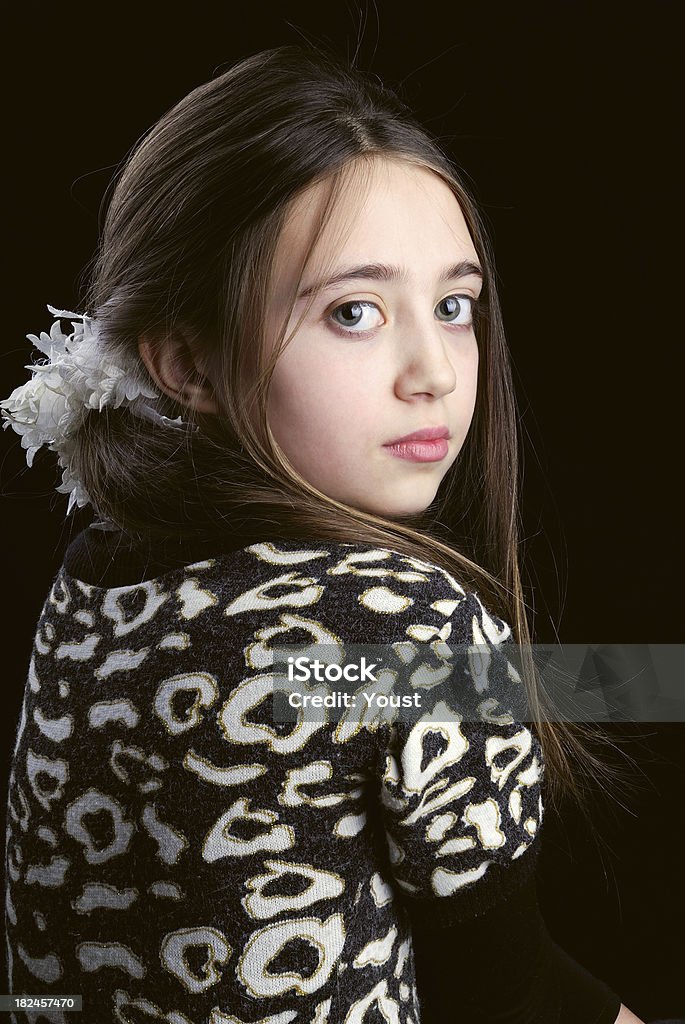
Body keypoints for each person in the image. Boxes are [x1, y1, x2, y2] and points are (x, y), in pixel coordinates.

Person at [2, 44, 646, 1024]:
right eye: (355, 311)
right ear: (187, 361)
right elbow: (511, 997)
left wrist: (641, 673)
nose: (432, 368)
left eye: (455, 305)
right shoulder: (392, 620)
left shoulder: (103, 576)